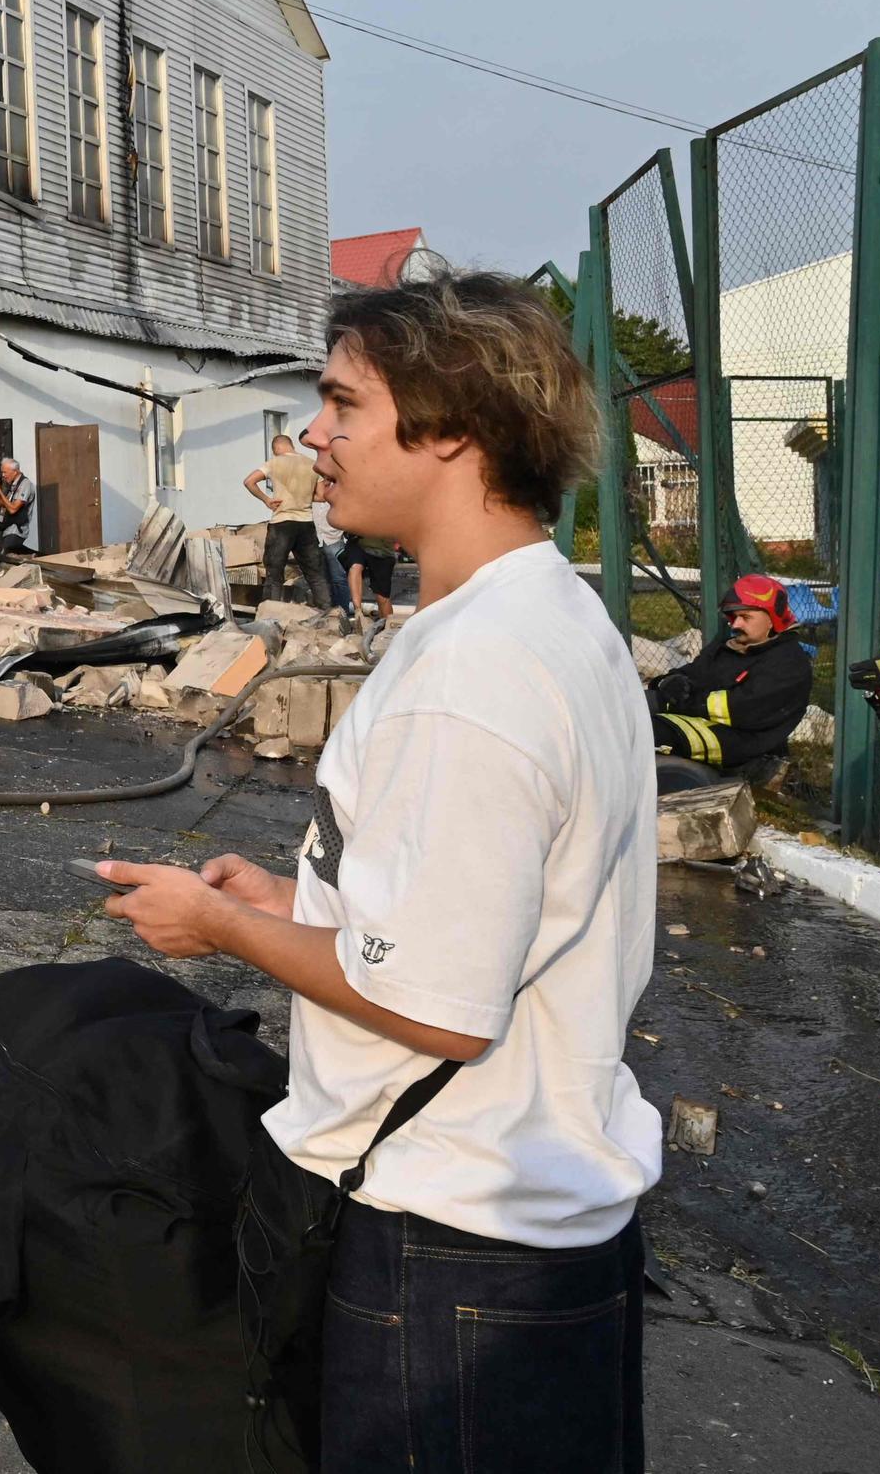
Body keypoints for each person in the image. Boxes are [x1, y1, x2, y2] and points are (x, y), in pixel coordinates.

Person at [100, 272, 658, 1471]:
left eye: (343, 403)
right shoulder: (547, 618)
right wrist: (302, 908)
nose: (314, 435)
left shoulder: (478, 673)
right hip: (525, 1223)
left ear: (449, 427)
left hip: (456, 1241)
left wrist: (216, 926)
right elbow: (487, 911)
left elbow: (433, 1008)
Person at [650, 573, 810, 772]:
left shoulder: (789, 663)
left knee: (646, 730)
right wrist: (666, 683)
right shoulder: (728, 647)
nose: (736, 625)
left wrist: (681, 702)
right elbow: (692, 672)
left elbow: (741, 709)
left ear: (772, 618)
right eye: (733, 617)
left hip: (743, 745)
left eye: (745, 617)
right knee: (636, 707)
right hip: (710, 726)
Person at [244, 431, 333, 609]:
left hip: (282, 524)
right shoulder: (311, 464)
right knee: (315, 574)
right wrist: (304, 497)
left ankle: (271, 613)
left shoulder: (274, 463)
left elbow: (249, 481)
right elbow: (322, 496)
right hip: (306, 524)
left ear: (275, 448)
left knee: (274, 574)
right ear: (291, 445)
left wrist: (266, 499)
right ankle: (328, 613)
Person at [343, 532, 400, 624]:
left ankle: (387, 625)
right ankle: (358, 612)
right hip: (358, 542)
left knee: (382, 597)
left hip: (382, 550)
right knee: (355, 567)